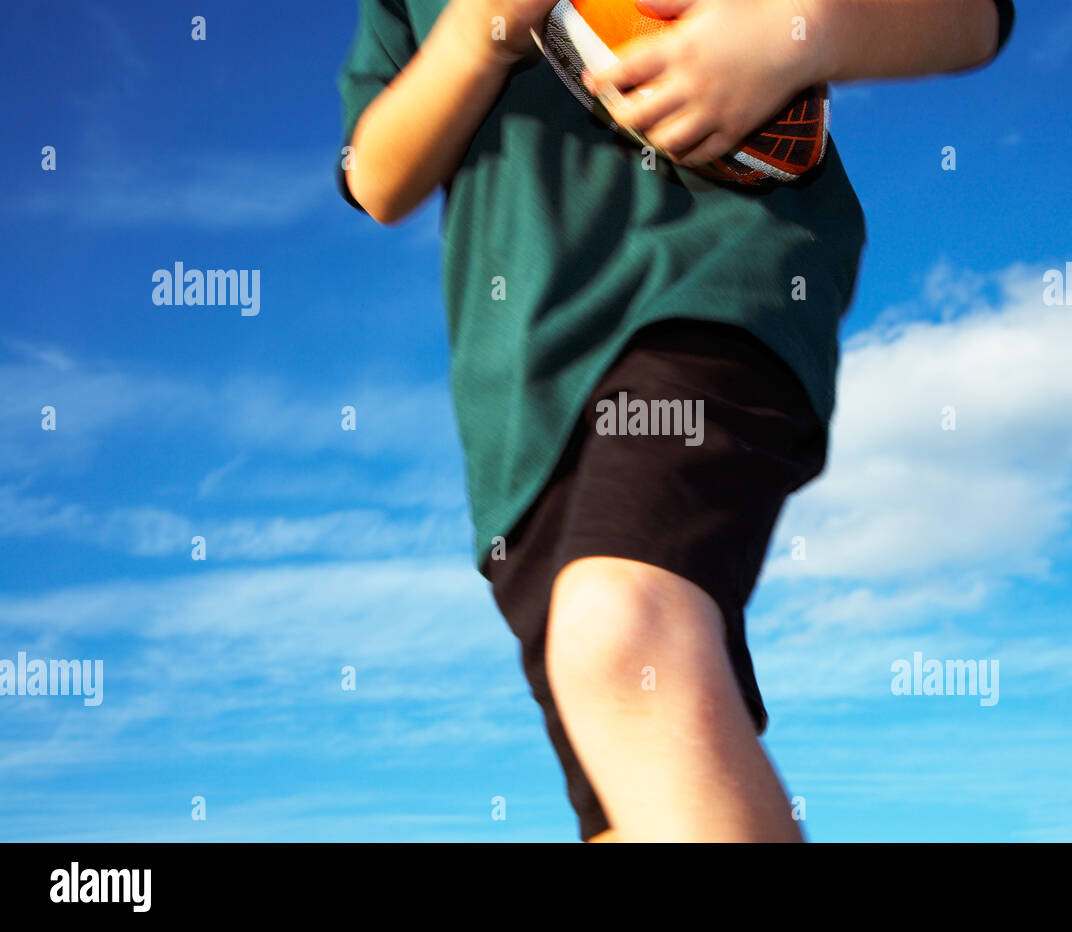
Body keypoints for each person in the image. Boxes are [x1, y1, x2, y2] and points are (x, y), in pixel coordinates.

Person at [337, 0, 1016, 842]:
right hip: (519, 413)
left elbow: (974, 17)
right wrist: (480, 32)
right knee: (632, 777)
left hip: (708, 286)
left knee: (622, 630)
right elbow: (373, 176)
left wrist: (799, 31)